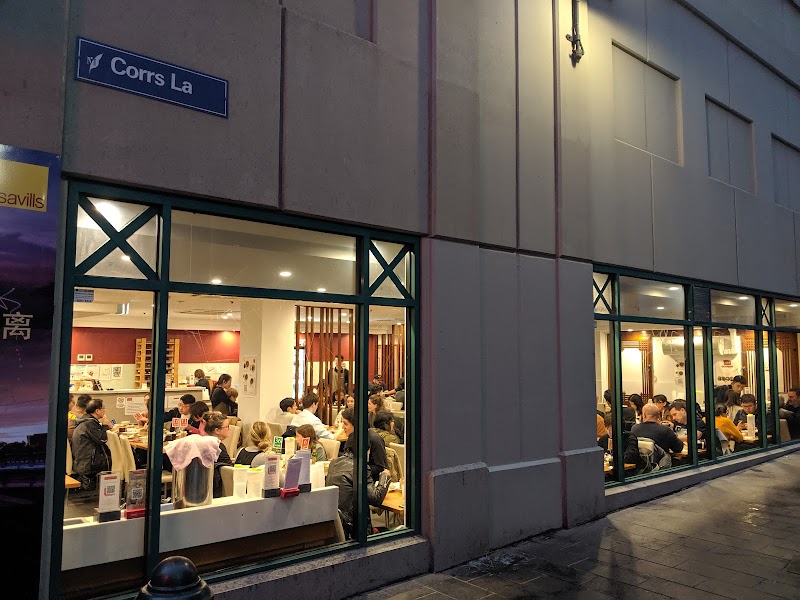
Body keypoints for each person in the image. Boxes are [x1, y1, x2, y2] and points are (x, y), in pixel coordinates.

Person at [325, 428, 391, 540]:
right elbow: (376, 498)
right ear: (367, 450)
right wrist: (385, 477)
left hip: (337, 526)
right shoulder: (360, 467)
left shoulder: (333, 463)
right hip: (355, 531)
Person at [71, 399, 112, 490]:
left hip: (81, 460)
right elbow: (102, 439)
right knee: (118, 458)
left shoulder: (86, 420)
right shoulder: (89, 423)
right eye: (104, 408)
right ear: (97, 411)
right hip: (88, 463)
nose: (105, 410)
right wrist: (105, 425)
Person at [339, 407, 389, 480]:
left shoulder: (374, 439)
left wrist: (355, 468)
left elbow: (380, 468)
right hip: (352, 477)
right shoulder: (352, 438)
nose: (343, 427)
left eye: (345, 424)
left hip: (370, 480)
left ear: (356, 425)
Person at [200, 411, 233, 497]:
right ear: (217, 430)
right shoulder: (218, 447)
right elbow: (230, 471)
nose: (230, 429)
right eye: (227, 427)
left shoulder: (203, 443)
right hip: (219, 490)